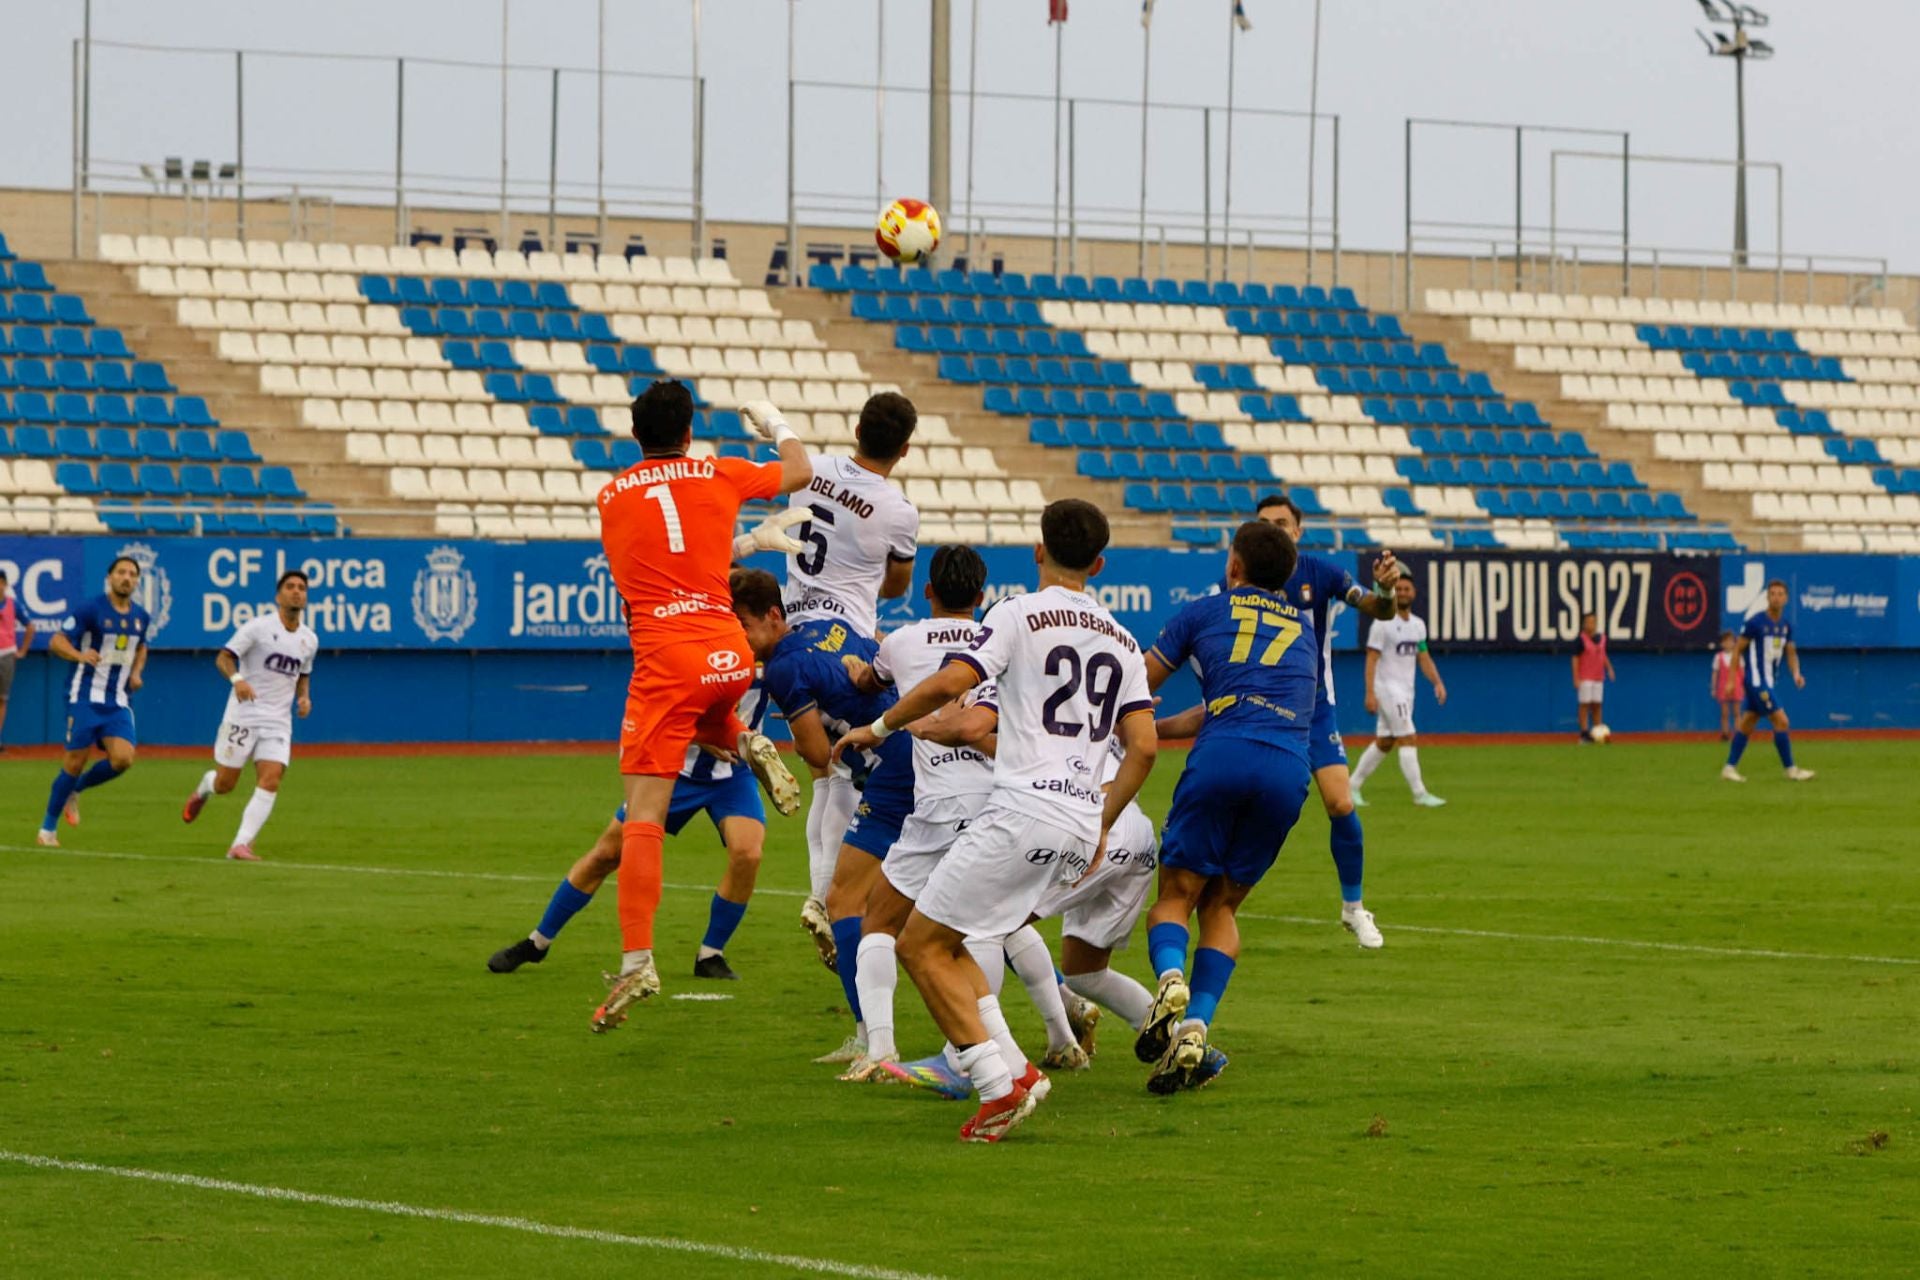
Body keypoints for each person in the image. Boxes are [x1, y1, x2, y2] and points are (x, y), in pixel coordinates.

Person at [835, 498, 1159, 1144]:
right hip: (1076, 821)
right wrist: (1102, 820)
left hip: (1020, 808)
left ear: (1037, 552)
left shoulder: (1018, 612)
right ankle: (1017, 1064)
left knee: (919, 943)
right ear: (1099, 563)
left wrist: (878, 726)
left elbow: (951, 683)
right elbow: (1145, 745)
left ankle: (995, 1082)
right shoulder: (1123, 640)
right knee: (964, 938)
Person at [589, 382, 810, 1031]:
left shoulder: (611, 496)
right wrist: (772, 421)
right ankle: (743, 739)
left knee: (643, 822)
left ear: (636, 438)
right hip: (730, 655)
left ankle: (636, 960)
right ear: (690, 433)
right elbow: (800, 470)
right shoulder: (717, 471)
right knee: (709, 709)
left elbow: (655, 565)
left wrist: (735, 548)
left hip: (668, 659)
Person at [838, 546, 1095, 1083]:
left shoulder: (904, 641)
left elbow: (870, 685)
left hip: (941, 803)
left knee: (883, 923)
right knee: (1000, 924)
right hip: (1007, 799)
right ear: (981, 598)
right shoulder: (1000, 641)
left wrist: (865, 675)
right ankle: (1060, 1035)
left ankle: (888, 1050)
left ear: (927, 591)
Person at [1130, 520, 1318, 1093]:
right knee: (1223, 908)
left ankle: (1169, 978)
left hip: (1223, 756)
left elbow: (1135, 680)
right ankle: (1194, 1029)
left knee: (1176, 897)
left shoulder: (1204, 611)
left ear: (1234, 567)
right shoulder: (1306, 632)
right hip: (1288, 765)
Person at [1163, 495, 1398, 946]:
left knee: (1341, 804)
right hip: (1248, 713)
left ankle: (1354, 907)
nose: (1275, 528)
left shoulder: (1322, 573)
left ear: (1298, 530)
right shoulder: (1231, 586)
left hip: (1313, 708)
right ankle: (1215, 903)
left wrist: (1385, 591)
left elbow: (1377, 608)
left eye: (1283, 523)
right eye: (1265, 523)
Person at [732, 566, 918, 1064]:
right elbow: (877, 657)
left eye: (743, 625)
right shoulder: (826, 624)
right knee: (955, 902)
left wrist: (800, 723)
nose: (739, 638)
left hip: (892, 772)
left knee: (845, 903)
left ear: (774, 616)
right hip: (919, 754)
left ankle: (874, 1042)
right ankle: (1061, 1015)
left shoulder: (781, 670)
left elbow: (818, 755)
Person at [488, 684, 773, 984]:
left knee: (748, 853)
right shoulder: (688, 654)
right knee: (605, 855)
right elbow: (651, 716)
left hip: (733, 777)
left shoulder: (769, 652)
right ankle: (537, 942)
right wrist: (702, 737)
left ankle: (710, 954)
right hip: (670, 772)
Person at [781, 392, 921, 973]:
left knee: (825, 769)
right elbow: (896, 585)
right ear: (905, 449)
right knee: (860, 760)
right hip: (849, 641)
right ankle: (831, 894)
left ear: (856, 428)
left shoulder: (808, 471)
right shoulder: (898, 509)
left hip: (793, 633)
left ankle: (822, 890)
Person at [178, 570, 319, 861]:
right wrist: (237, 680)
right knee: (226, 784)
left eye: (302, 588)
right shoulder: (258, 628)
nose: (296, 592)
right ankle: (206, 786)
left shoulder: (309, 640)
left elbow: (303, 674)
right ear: (278, 596)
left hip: (278, 720)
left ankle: (240, 844)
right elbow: (224, 657)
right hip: (245, 713)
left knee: (271, 778)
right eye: (290, 587)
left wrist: (304, 697)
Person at [36, 556, 150, 846]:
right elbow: (56, 641)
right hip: (84, 694)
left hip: (119, 700)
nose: (127, 578)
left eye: (132, 574)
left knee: (123, 759)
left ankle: (76, 790)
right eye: (121, 572)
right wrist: (79, 655)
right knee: (75, 761)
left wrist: (136, 673)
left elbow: (141, 647)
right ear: (109, 578)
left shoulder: (140, 616)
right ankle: (47, 830)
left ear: (137, 581)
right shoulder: (91, 609)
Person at [1349, 574, 1448, 807]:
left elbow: (1423, 657)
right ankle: (1419, 793)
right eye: (1399, 588)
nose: (1403, 592)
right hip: (1387, 689)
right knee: (1408, 737)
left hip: (1406, 690)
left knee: (1385, 741)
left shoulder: (1417, 625)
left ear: (1413, 593)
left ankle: (1351, 786)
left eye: (1407, 589)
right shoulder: (1382, 623)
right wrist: (1370, 693)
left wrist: (1437, 682)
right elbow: (1371, 659)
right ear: (1393, 592)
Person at [1722, 580, 1815, 783]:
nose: (1776, 597)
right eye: (1773, 593)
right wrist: (1731, 680)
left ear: (1786, 598)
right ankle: (1791, 769)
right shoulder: (1755, 623)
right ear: (1767, 597)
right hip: (1756, 681)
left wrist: (1796, 674)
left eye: (1780, 594)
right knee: (1782, 721)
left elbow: (1790, 652)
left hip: (1768, 681)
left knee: (1747, 723)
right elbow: (1737, 649)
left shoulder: (1786, 626)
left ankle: (1729, 768)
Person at [0, 569, 36, 752]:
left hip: (6, 654)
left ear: (5, 584)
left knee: (2, 698)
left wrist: (22, 650)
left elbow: (30, 626)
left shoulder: (13, 604)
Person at [1571, 612, 1615, 741]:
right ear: (1584, 624)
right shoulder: (1581, 640)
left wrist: (1609, 668)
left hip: (1598, 677)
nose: (1590, 624)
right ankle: (1584, 733)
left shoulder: (1602, 638)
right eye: (1587, 621)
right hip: (1585, 677)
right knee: (1584, 704)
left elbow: (1603, 655)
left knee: (1597, 704)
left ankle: (1597, 731)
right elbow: (1575, 659)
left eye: (1592, 621)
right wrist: (1576, 678)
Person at [1711, 631, 1742, 740]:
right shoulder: (1718, 657)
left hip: (1736, 686)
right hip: (1723, 687)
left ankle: (1738, 734)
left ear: (1734, 643)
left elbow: (1742, 673)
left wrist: (1743, 687)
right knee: (1724, 713)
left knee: (1737, 712)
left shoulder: (1738, 656)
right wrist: (1713, 688)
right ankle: (1725, 733)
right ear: (1722, 643)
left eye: (1730, 641)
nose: (1728, 643)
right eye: (1726, 641)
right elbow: (1715, 673)